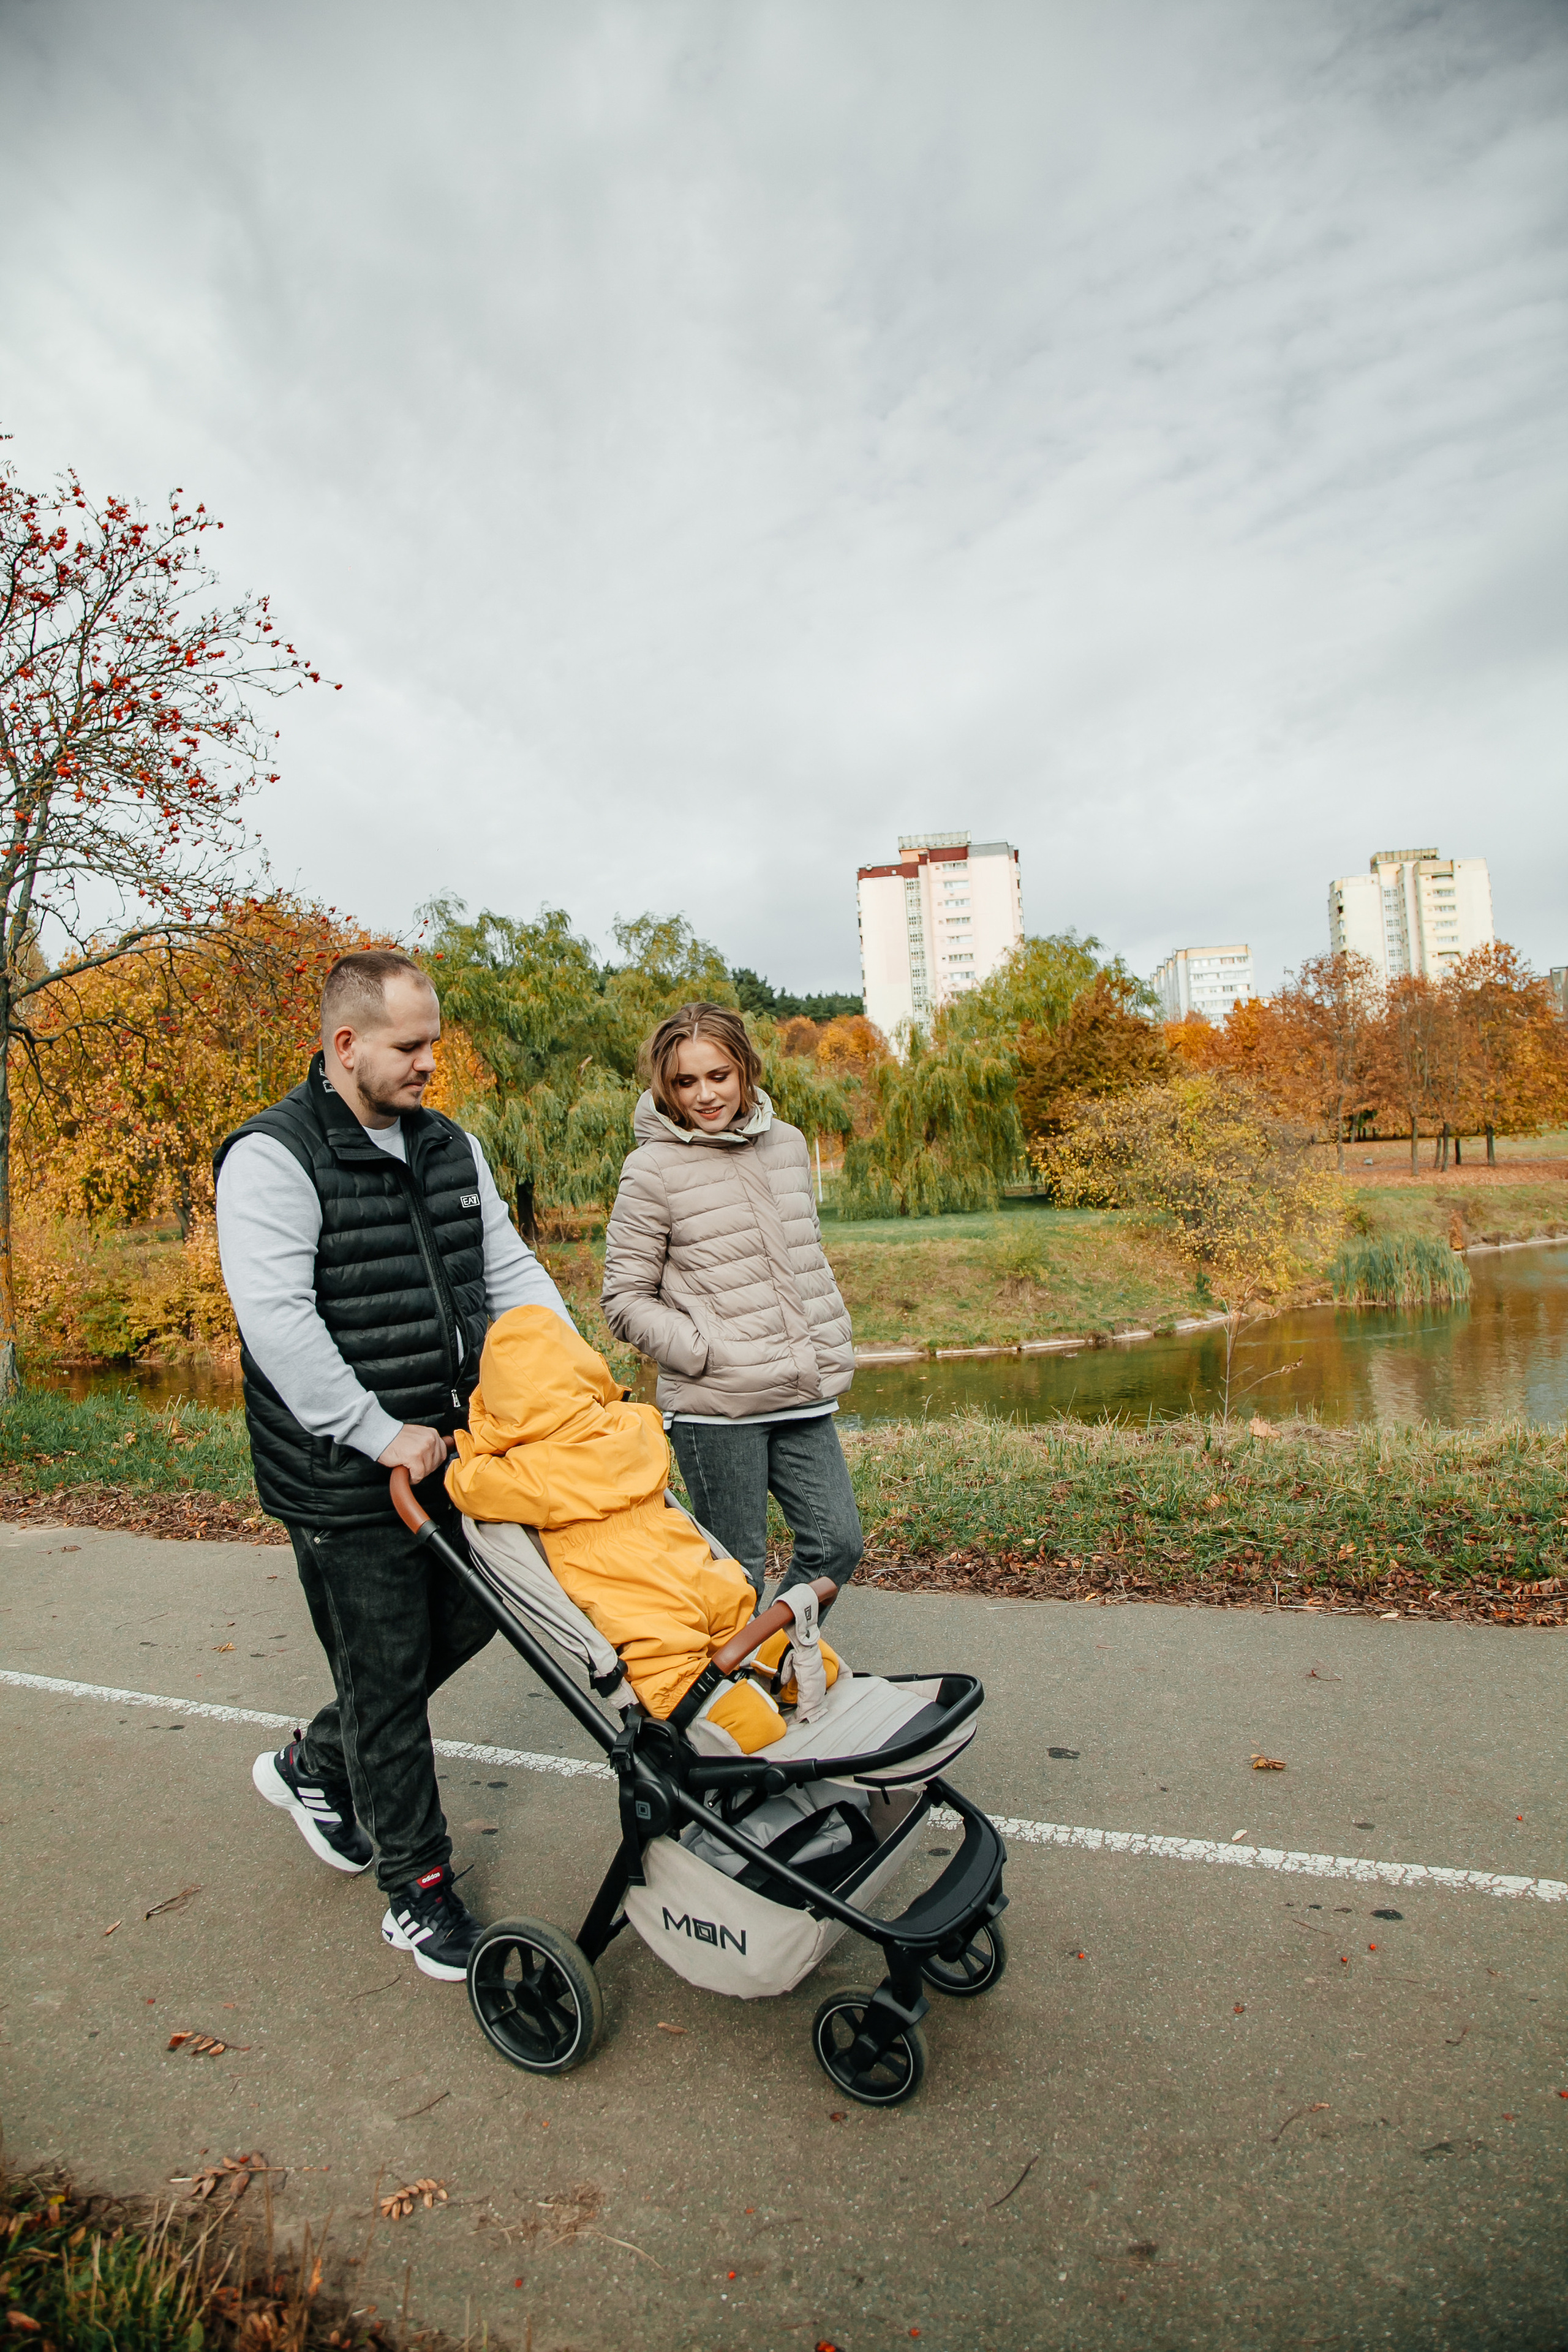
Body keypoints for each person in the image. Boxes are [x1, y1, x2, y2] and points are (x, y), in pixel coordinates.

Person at [214, 949, 571, 1981]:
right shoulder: (273, 1159)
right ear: (347, 1045)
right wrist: (377, 1433)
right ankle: (416, 1891)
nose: (428, 1065)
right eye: (411, 1047)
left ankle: (315, 1764)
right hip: (344, 1473)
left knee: (490, 1609)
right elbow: (277, 1323)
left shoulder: (447, 1145)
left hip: (456, 1453)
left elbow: (506, 1270)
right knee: (385, 1676)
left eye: (433, 1046)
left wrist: (566, 1380)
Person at [445, 1302, 843, 1752]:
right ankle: (768, 1654)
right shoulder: (632, 1426)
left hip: (624, 1583)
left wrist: (478, 1439)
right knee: (729, 1605)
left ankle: (717, 1706)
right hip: (680, 1554)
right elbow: (637, 1413)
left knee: (660, 1650)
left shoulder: (522, 1477)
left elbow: (467, 1486)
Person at [600, 1001, 863, 1605]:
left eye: (718, 1076)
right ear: (666, 1088)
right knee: (735, 1573)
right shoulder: (651, 1170)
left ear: (744, 1069)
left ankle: (768, 1667)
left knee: (836, 1546)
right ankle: (727, 1696)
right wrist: (703, 1351)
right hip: (718, 1406)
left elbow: (803, 1254)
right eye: (684, 1082)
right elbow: (623, 1299)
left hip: (799, 1388)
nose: (705, 1095)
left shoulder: (789, 1146)